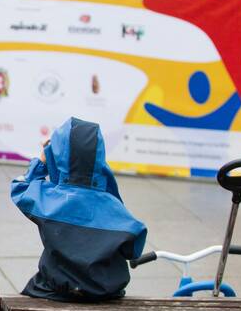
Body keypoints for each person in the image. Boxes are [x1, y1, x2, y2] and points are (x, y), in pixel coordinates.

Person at [11, 117, 147, 301]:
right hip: (105, 295)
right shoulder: (117, 212)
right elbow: (133, 250)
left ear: (59, 158)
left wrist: (43, 161)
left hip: (55, 291)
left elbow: (19, 187)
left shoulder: (47, 199)